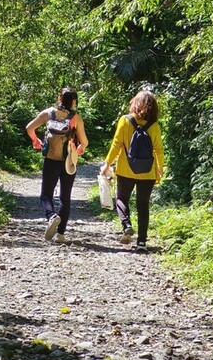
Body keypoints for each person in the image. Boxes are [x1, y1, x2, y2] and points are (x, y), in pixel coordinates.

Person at [100, 90, 164, 252]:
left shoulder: (125, 120)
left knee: (121, 199)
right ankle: (141, 243)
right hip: (147, 171)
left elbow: (116, 144)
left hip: (125, 169)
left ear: (135, 103)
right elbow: (159, 150)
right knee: (143, 205)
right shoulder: (154, 125)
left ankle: (126, 224)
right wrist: (160, 168)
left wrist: (107, 164)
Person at [26, 86, 89, 244]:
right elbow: (84, 142)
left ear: (59, 98)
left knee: (46, 195)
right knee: (65, 198)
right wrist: (80, 148)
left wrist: (36, 140)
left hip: (51, 160)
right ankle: (60, 234)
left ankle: (52, 216)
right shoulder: (76, 118)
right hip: (68, 161)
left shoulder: (48, 113)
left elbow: (29, 128)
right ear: (74, 101)